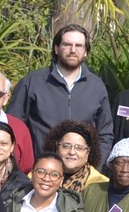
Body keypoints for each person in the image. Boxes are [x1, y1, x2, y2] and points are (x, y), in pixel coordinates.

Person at [10, 23, 112, 151]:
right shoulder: (32, 82)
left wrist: (95, 162)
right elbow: (14, 127)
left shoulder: (96, 86)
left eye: (79, 46)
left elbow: (105, 134)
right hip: (42, 162)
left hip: (82, 163)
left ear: (85, 52)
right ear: (56, 48)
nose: (73, 50)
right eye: (67, 44)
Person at [40, 120, 100, 195]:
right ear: (56, 148)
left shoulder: (99, 183)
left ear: (87, 153)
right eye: (66, 146)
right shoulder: (39, 174)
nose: (72, 152)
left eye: (79, 148)